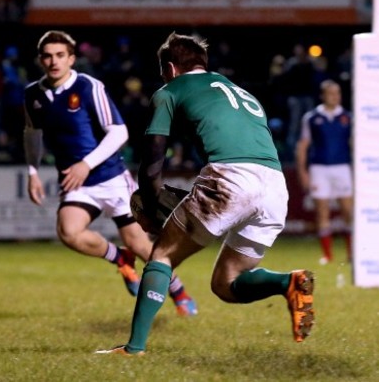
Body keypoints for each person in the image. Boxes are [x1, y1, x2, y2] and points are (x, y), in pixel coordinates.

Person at [95, 32, 315, 356]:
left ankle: (134, 349)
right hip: (275, 187)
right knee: (226, 283)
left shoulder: (170, 90)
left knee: (162, 256)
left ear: (170, 69)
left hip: (231, 178)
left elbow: (153, 158)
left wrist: (151, 201)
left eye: (162, 72)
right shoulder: (241, 92)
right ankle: (288, 283)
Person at [22, 30, 197, 316]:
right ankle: (119, 258)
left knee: (140, 242)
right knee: (68, 232)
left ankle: (178, 290)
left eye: (60, 55)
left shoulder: (89, 87)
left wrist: (86, 163)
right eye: (48, 56)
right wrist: (32, 170)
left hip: (112, 178)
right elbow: (32, 133)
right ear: (41, 60)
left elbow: (119, 132)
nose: (53, 61)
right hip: (77, 183)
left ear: (71, 59)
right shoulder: (33, 94)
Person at [295, 79, 353, 265]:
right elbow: (303, 145)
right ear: (323, 95)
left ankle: (352, 254)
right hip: (319, 168)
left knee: (348, 211)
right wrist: (302, 171)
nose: (335, 97)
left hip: (342, 167)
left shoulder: (348, 117)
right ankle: (327, 255)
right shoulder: (311, 118)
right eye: (331, 93)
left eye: (338, 93)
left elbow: (354, 144)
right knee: (322, 212)